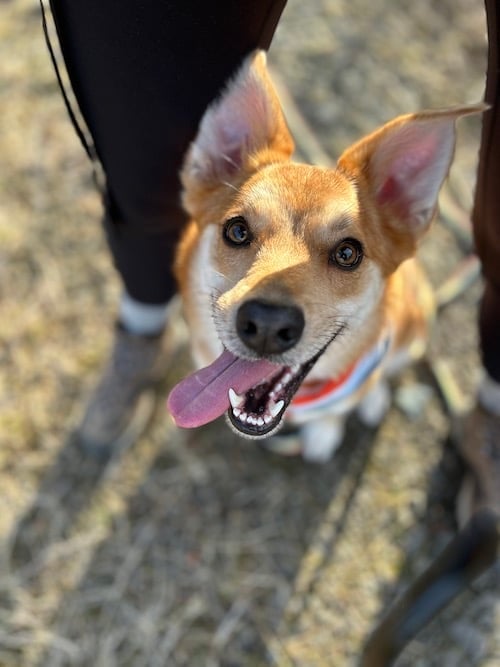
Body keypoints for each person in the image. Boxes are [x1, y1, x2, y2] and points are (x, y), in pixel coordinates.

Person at [46, 1, 498, 520]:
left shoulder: (388, 232)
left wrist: (340, 406)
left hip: (366, 360)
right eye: (240, 233)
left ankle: (478, 409)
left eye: (345, 253)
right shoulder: (217, 187)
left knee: (399, 345)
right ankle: (141, 331)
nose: (268, 317)